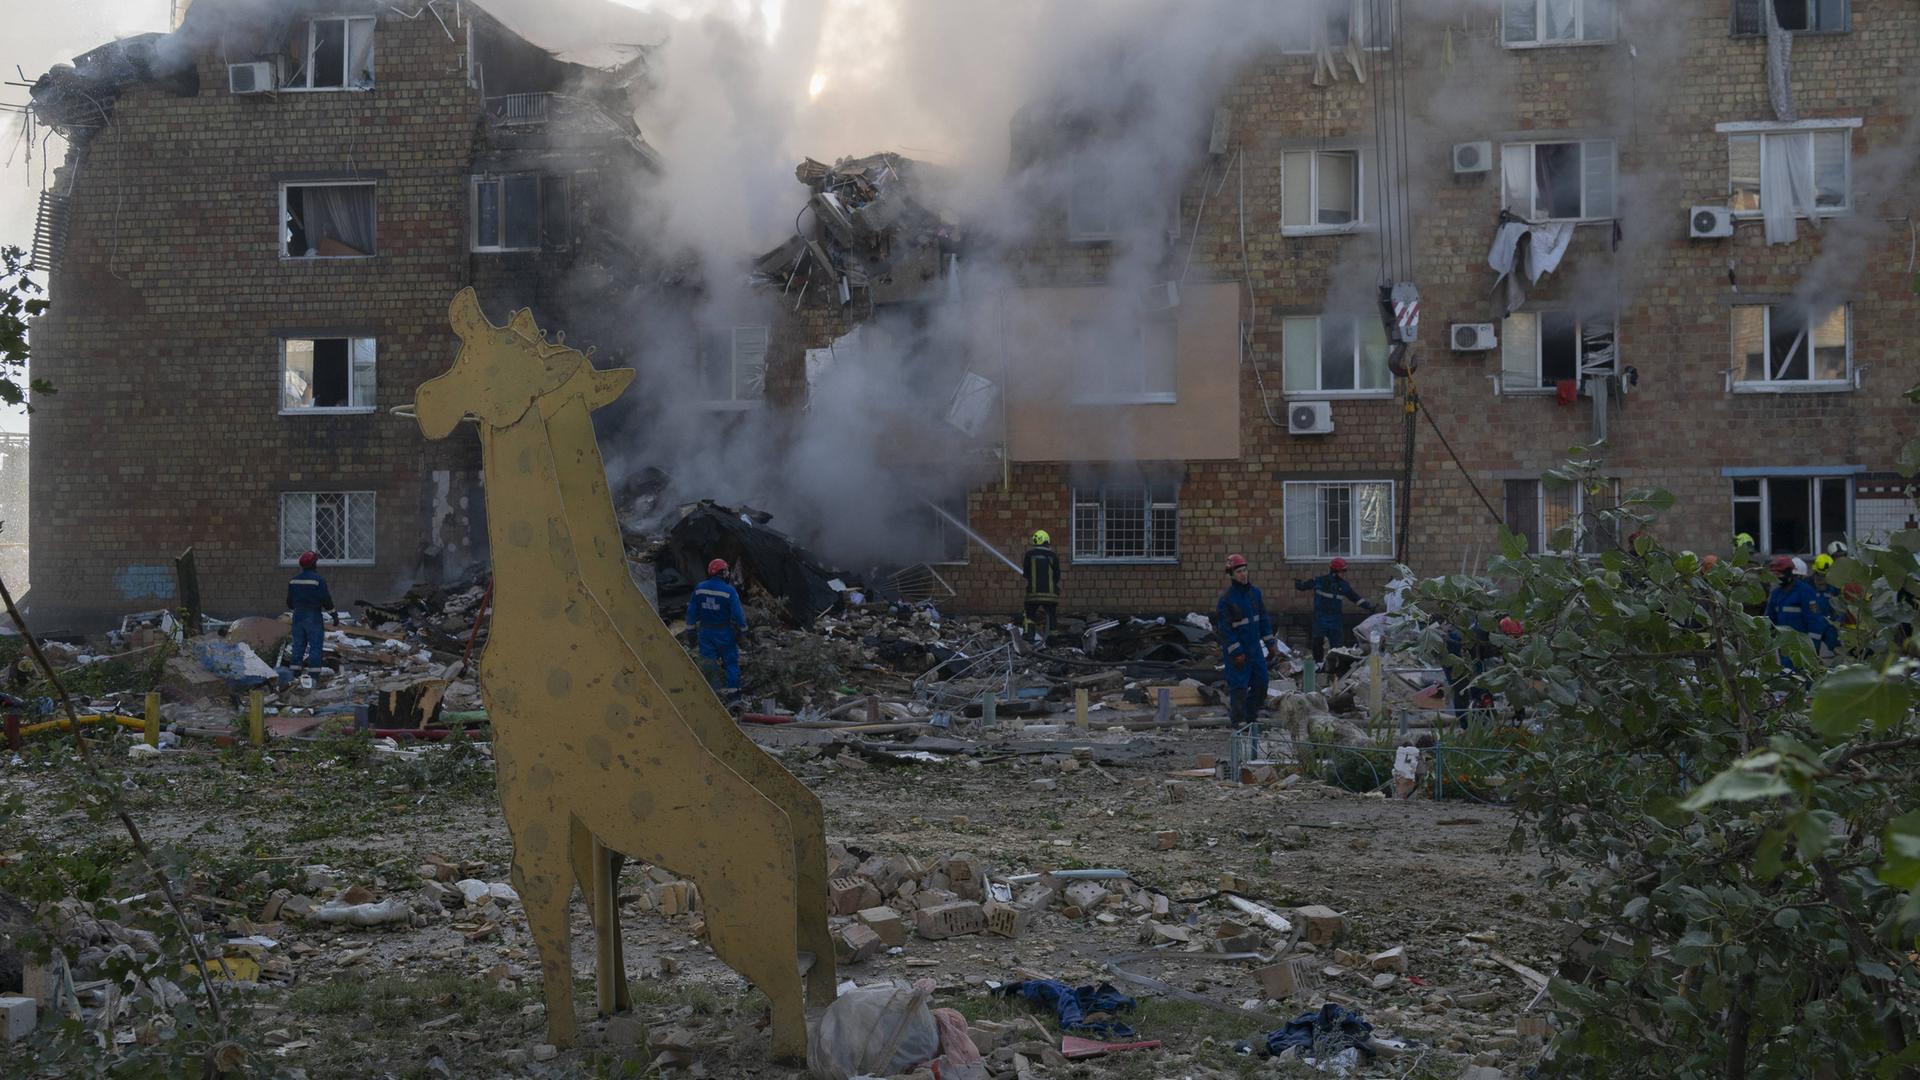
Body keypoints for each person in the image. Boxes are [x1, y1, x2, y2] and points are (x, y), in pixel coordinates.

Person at [1216, 554, 1275, 730]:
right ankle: (1238, 721)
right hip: (1239, 652)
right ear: (1231, 574)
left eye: (1244, 570)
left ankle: (1251, 717)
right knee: (1239, 688)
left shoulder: (1255, 594)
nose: (1243, 574)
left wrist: (1270, 642)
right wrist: (1236, 651)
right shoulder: (1227, 600)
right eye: (1239, 571)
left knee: (1262, 683)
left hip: (1255, 650)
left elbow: (1263, 618)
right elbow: (1225, 630)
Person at [1294, 558, 1374, 665]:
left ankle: (1336, 667)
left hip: (1335, 619)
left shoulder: (1343, 585)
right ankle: (1318, 665)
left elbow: (1355, 598)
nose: (1344, 574)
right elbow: (1305, 586)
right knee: (1317, 641)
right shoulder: (1320, 581)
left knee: (1337, 646)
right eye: (1342, 571)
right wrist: (1299, 584)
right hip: (1321, 617)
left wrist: (1369, 606)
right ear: (1334, 571)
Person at [691, 558, 747, 694]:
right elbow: (738, 614)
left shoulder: (699, 589)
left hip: (705, 633)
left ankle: (715, 697)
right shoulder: (729, 591)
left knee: (709, 664)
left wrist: (690, 631)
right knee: (731, 663)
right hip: (724, 633)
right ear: (722, 573)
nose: (728, 574)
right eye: (727, 571)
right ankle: (733, 697)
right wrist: (744, 630)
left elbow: (691, 611)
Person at [286, 551, 339, 671]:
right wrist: (334, 615)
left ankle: (294, 678)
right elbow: (326, 599)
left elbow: (289, 602)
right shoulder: (318, 580)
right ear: (314, 564)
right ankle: (313, 678)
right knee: (315, 647)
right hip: (313, 616)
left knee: (298, 647)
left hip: (298, 616)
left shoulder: (293, 581)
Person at [1021, 529, 1062, 644]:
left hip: (1033, 595)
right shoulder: (1053, 556)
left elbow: (1026, 574)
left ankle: (1029, 636)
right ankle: (1053, 639)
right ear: (1046, 541)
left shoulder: (1029, 555)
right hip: (1050, 595)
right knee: (1051, 615)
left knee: (1029, 614)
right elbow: (1057, 575)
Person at [1809, 553, 1841, 653]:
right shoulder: (1806, 585)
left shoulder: (1834, 585)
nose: (1821, 578)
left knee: (1838, 651)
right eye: (1820, 575)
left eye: (1824, 575)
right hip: (1812, 625)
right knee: (1812, 654)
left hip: (1829, 624)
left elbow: (1841, 606)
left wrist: (1838, 621)